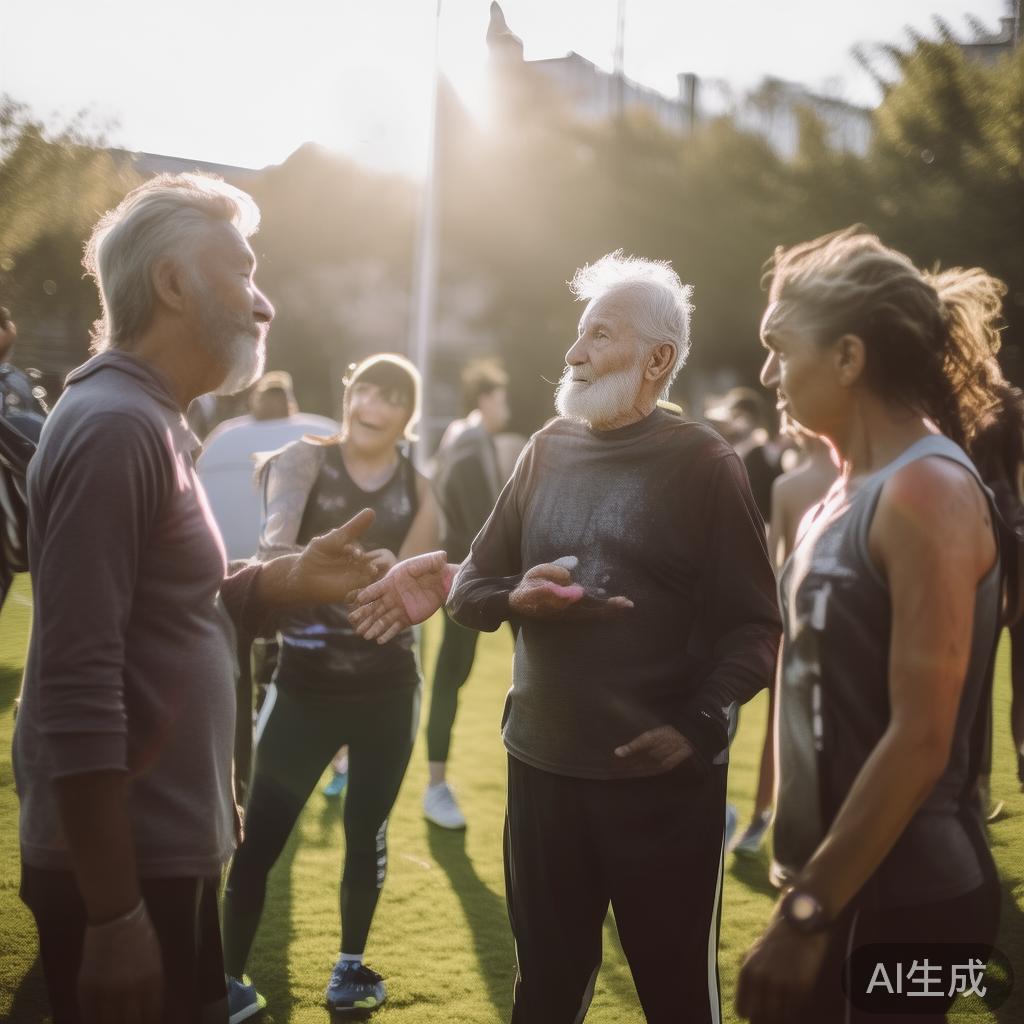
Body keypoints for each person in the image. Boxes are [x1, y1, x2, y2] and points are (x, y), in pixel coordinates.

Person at [351, 252, 781, 1023]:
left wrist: (696, 726)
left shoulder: (706, 465)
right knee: (543, 991)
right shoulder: (546, 447)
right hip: (542, 770)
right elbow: (476, 587)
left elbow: (756, 627)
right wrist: (519, 596)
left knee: (676, 994)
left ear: (658, 359)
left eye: (598, 335)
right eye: (579, 333)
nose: (573, 353)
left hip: (665, 788)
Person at [13, 173, 381, 1024]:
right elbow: (74, 684)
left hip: (158, 855)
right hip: (125, 873)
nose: (265, 305)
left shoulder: (150, 419)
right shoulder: (114, 426)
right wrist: (113, 917)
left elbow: (169, 605)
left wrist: (287, 580)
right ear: (172, 283)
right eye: (244, 272)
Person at [736, 228, 1004, 1024]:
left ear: (849, 357)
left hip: (914, 910)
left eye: (779, 349)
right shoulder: (831, 496)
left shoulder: (928, 491)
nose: (765, 374)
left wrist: (807, 912)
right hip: (837, 893)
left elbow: (923, 738)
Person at [221, 353, 440, 1019]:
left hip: (387, 690)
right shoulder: (300, 459)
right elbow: (268, 555)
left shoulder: (418, 486)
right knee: (257, 838)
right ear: (347, 391)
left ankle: (349, 968)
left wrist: (394, 571)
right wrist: (340, 565)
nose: (372, 403)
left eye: (392, 396)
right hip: (303, 688)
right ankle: (224, 979)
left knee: (365, 831)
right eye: (365, 387)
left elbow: (420, 582)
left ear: (408, 414)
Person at [732, 426, 838, 860]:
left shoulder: (788, 486)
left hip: (792, 618)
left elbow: (774, 561)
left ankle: (760, 819)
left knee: (780, 725)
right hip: (841, 618)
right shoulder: (857, 482)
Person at [424, 358, 510, 828]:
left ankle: (436, 784)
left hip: (464, 576)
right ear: (485, 399)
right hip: (465, 578)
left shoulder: (462, 436)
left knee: (451, 677)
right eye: (502, 398)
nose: (507, 407)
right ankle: (436, 786)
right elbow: (481, 522)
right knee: (449, 678)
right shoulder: (471, 441)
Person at [197, 370, 338, 561]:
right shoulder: (321, 431)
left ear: (255, 401)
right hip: (283, 559)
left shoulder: (222, 436)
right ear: (290, 403)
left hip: (216, 551)